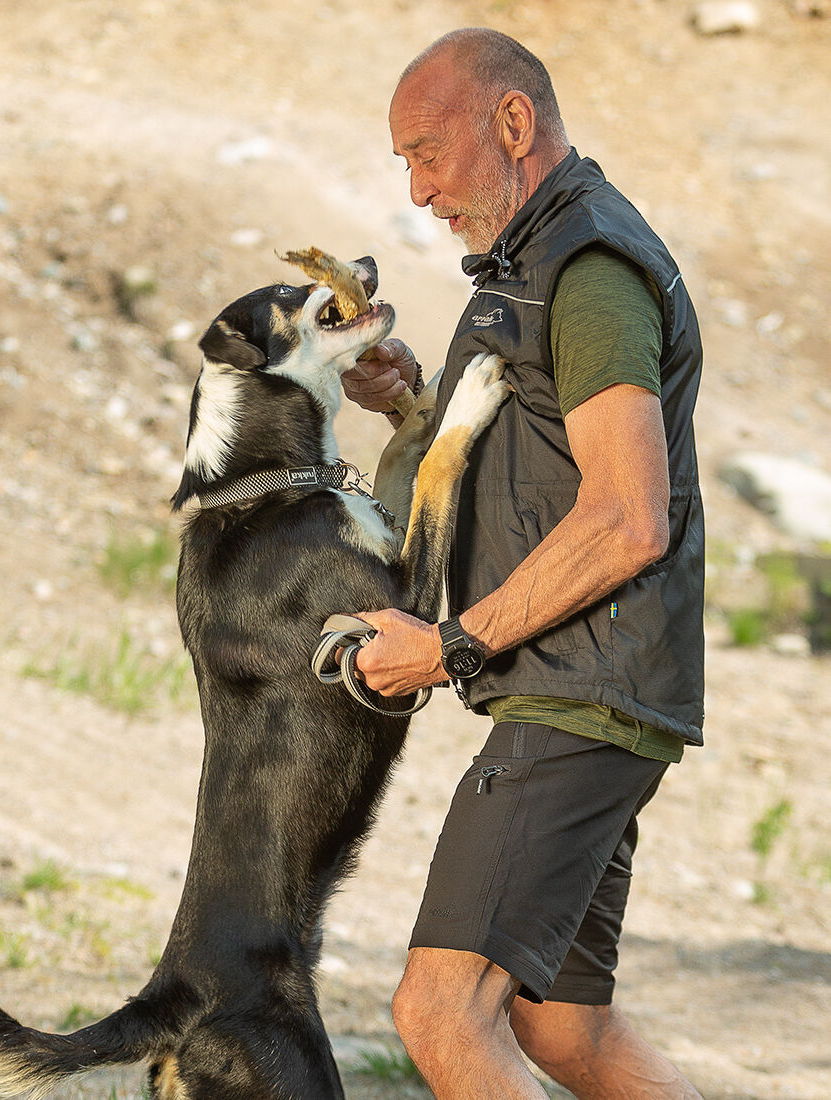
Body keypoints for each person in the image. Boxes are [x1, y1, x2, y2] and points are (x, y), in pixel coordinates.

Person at [341, 28, 706, 1100]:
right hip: (593, 687)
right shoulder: (535, 261)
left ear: (511, 123)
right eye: (400, 163)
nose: (416, 191)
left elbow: (625, 515)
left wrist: (449, 646)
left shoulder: (586, 266)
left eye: (425, 152)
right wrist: (409, 398)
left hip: (575, 692)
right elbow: (521, 452)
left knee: (440, 1009)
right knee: (563, 1030)